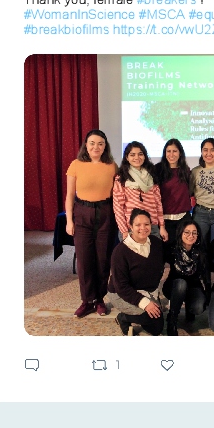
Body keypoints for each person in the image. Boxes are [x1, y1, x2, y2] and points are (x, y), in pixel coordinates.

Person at [65, 129, 118, 318]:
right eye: (92, 143)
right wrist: (69, 220)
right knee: (84, 260)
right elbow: (69, 196)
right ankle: (87, 301)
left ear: (105, 147)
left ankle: (99, 299)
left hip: (105, 213)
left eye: (100, 144)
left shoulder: (111, 166)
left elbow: (117, 194)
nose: (96, 147)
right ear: (86, 145)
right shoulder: (76, 165)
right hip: (82, 213)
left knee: (103, 259)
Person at [108, 208, 165, 336]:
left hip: (146, 290)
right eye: (138, 225)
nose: (143, 228)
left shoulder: (156, 243)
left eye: (146, 224)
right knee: (150, 318)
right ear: (131, 226)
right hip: (122, 293)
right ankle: (123, 318)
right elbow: (121, 287)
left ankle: (140, 314)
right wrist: (145, 303)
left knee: (156, 328)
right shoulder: (120, 252)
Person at [113, 141, 168, 243]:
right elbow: (118, 207)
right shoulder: (121, 178)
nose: (137, 157)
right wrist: (124, 231)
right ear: (127, 157)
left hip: (152, 226)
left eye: (140, 154)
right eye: (132, 155)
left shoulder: (151, 175)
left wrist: (162, 226)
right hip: (131, 228)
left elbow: (158, 203)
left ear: (145, 156)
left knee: (154, 253)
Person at [162, 217, 209, 336]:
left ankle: (189, 308)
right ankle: (172, 318)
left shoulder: (201, 251)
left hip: (193, 287)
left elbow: (205, 275)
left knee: (198, 308)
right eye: (187, 232)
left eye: (194, 233)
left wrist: (207, 295)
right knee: (181, 284)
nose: (190, 236)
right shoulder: (172, 249)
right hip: (175, 287)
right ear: (180, 233)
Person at [154, 138, 193, 251]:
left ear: (180, 153)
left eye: (175, 151)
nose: (171, 154)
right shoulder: (158, 170)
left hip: (183, 218)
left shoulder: (186, 170)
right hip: (164, 220)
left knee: (183, 252)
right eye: (168, 151)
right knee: (166, 252)